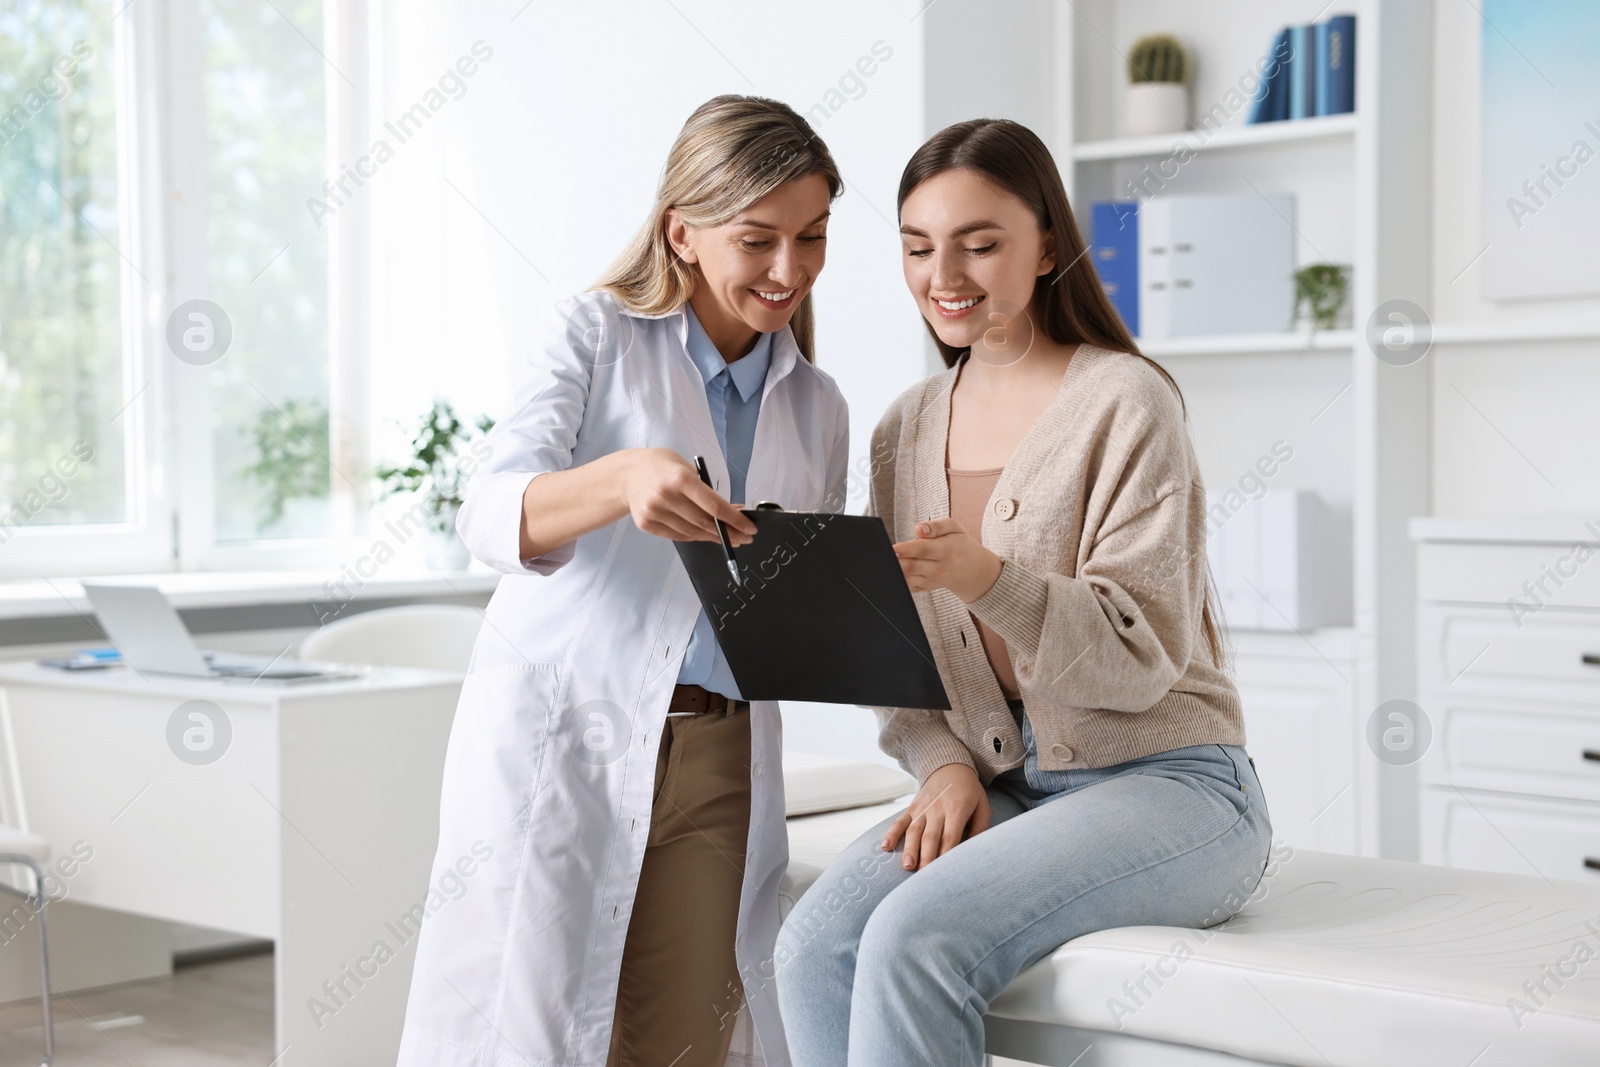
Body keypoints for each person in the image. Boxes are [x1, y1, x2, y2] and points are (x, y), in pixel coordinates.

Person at [773, 118, 1272, 1067]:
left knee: (916, 940)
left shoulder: (1127, 402)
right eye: (918, 247)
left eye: (981, 242)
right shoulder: (903, 430)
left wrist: (990, 581)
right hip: (1005, 784)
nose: (943, 274)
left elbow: (1138, 655)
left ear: (1048, 244)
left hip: (1173, 782)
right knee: (812, 946)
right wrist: (943, 765)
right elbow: (901, 657)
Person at [397, 95, 849, 1067]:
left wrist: (861, 595)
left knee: (681, 1040)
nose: (789, 269)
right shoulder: (593, 334)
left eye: (811, 236)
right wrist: (619, 478)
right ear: (681, 231)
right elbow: (487, 510)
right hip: (567, 738)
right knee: (533, 1030)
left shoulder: (817, 404)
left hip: (722, 757)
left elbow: (789, 614)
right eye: (757, 238)